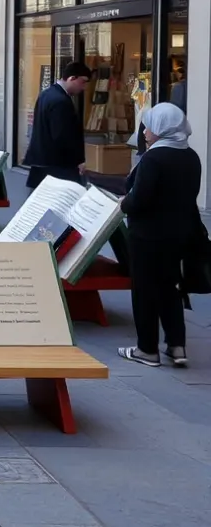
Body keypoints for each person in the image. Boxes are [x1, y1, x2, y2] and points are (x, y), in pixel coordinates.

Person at [117, 103, 201, 368]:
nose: (144, 132)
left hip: (147, 235)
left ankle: (147, 349)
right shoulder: (191, 156)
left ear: (163, 128)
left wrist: (123, 204)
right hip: (178, 234)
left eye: (149, 126)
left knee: (144, 290)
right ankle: (177, 346)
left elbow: (139, 199)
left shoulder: (153, 159)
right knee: (171, 286)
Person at [23, 62, 91, 189]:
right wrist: (78, 161)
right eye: (83, 82)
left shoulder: (46, 94)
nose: (84, 88)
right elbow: (62, 136)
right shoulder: (61, 101)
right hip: (58, 167)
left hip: (41, 162)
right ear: (72, 78)